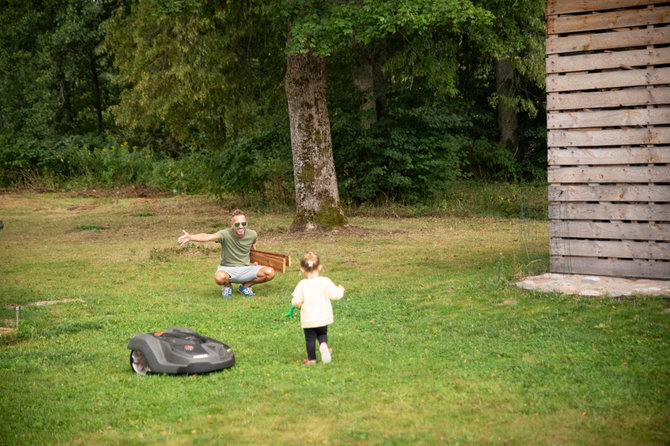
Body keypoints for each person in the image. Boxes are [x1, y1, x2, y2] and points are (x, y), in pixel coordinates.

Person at [178, 209, 275, 298]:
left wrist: (256, 260)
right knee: (219, 278)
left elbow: (252, 246)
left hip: (245, 268)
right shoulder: (224, 234)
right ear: (232, 225)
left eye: (243, 223)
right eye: (237, 224)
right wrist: (191, 237)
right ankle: (227, 286)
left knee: (270, 273)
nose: (241, 226)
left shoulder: (252, 234)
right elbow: (208, 237)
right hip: (228, 269)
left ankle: (245, 287)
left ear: (247, 223)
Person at [291, 252, 344, 365]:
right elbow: (335, 295)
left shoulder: (302, 284)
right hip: (323, 316)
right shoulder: (325, 281)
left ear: (302, 270)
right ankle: (323, 345)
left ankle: (312, 360)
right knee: (322, 334)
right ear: (320, 267)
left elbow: (296, 301)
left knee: (310, 339)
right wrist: (340, 290)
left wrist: (298, 304)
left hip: (309, 318)